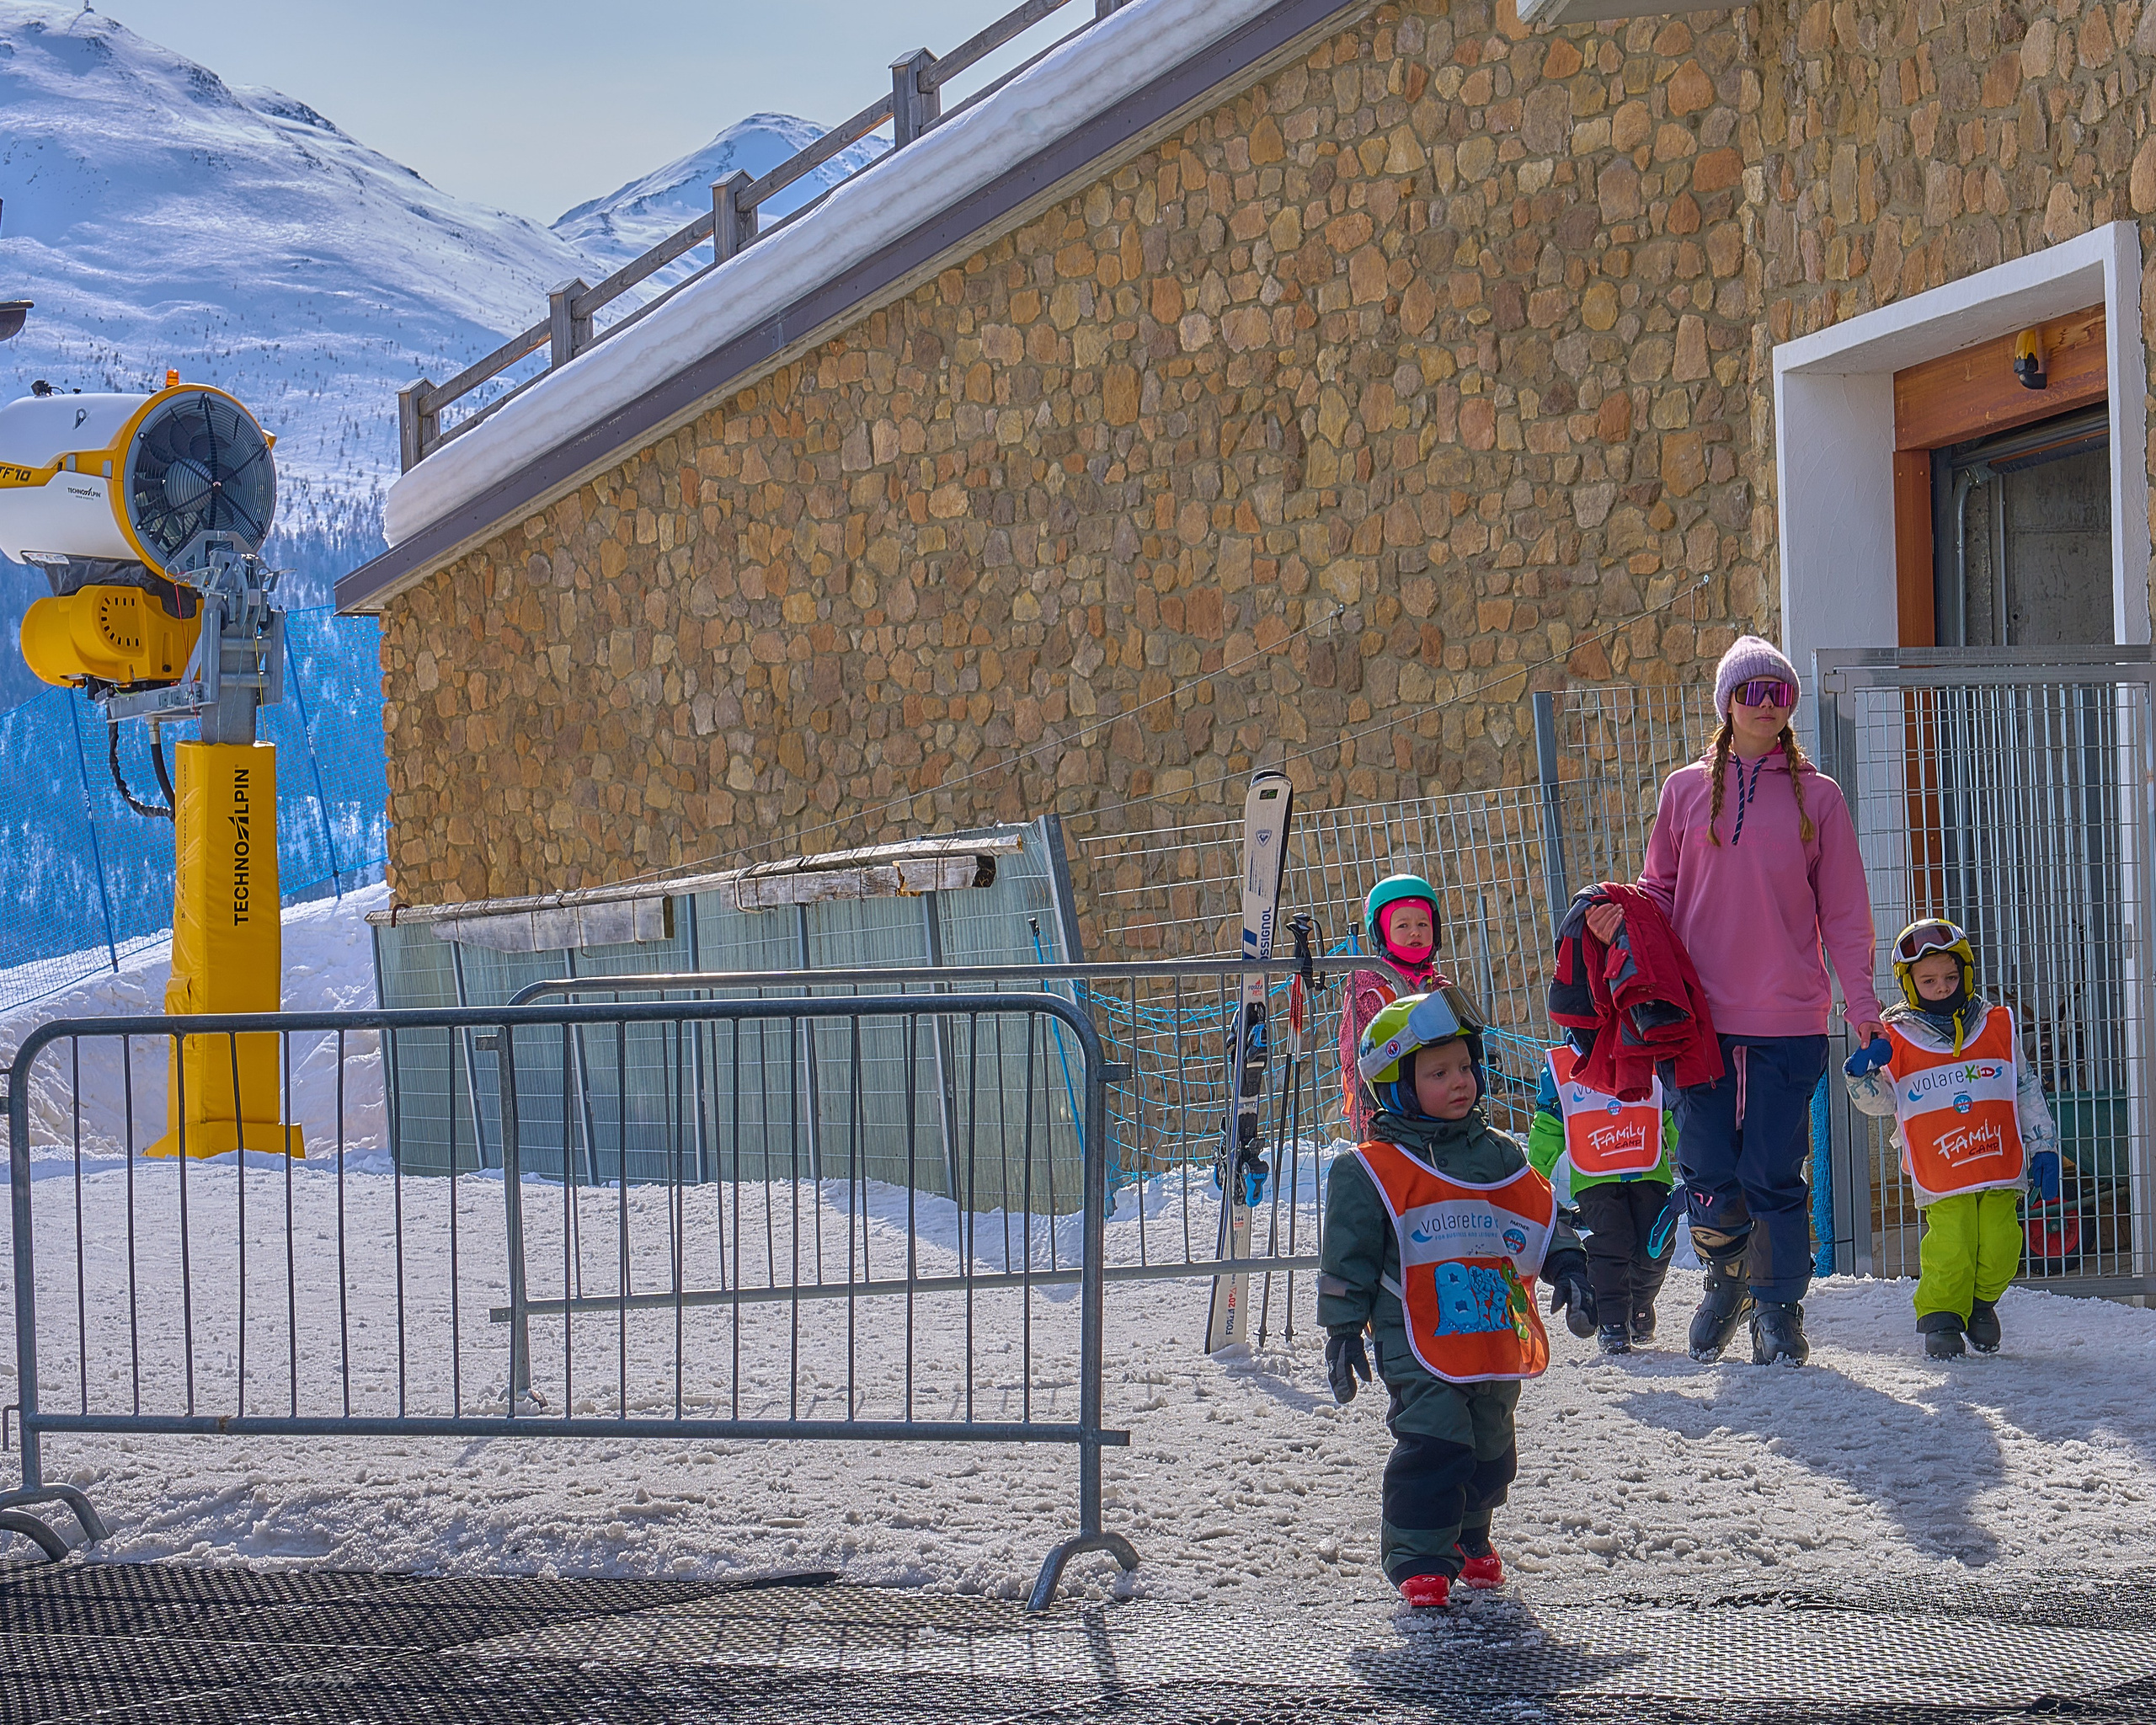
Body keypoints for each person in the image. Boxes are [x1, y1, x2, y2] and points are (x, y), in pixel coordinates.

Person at [1584, 636, 1884, 1367]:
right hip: (1697, 1022)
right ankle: (1727, 1279)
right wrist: (1620, 919)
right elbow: (1660, 890)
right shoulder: (1684, 790)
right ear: (1727, 703)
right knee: (1710, 1169)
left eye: (1778, 693)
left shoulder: (1821, 798)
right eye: (1750, 692)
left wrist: (1865, 1011)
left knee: (1774, 1173)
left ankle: (1779, 1310)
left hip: (1788, 1018)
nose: (1766, 704)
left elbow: (1844, 913)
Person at [1318, 989, 1595, 1610]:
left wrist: (1571, 1270)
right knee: (1437, 1442)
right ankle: (1419, 1558)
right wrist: (1341, 1333)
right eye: (1438, 1072)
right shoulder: (1373, 1169)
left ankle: (1470, 1536)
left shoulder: (1497, 1154)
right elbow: (1348, 1261)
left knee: (1492, 1453)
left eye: (1465, 1067)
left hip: (1491, 1330)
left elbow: (1542, 1218)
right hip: (1415, 1337)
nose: (1460, 1082)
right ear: (1397, 1085)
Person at [1843, 919, 2059, 1358]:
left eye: (1950, 976)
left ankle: (1982, 1304)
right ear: (1910, 983)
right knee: (1952, 1241)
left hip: (1999, 1160)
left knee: (2001, 1243)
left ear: (1966, 972)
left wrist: (2045, 1147)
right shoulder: (1896, 1034)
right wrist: (1861, 1071)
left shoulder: (1997, 1024)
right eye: (1928, 980)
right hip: (1942, 1167)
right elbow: (1883, 1103)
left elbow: (2024, 1086)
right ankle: (1942, 1316)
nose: (1941, 987)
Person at [1526, 1035, 1679, 1354]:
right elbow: (1552, 1122)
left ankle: (1640, 1306)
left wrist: (1698, 1159)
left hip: (1648, 1168)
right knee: (1611, 1243)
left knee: (1655, 1244)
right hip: (1595, 1176)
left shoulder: (1650, 1052)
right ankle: (1611, 1320)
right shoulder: (1565, 1066)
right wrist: (1533, 1175)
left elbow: (1669, 1110)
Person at [1337, 873, 1450, 1142]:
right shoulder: (1369, 986)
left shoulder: (1439, 987)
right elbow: (1352, 1049)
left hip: (1435, 1102)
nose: (1415, 932)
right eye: (1402, 925)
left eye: (1423, 923)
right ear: (1381, 933)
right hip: (1383, 1110)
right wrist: (1369, 1093)